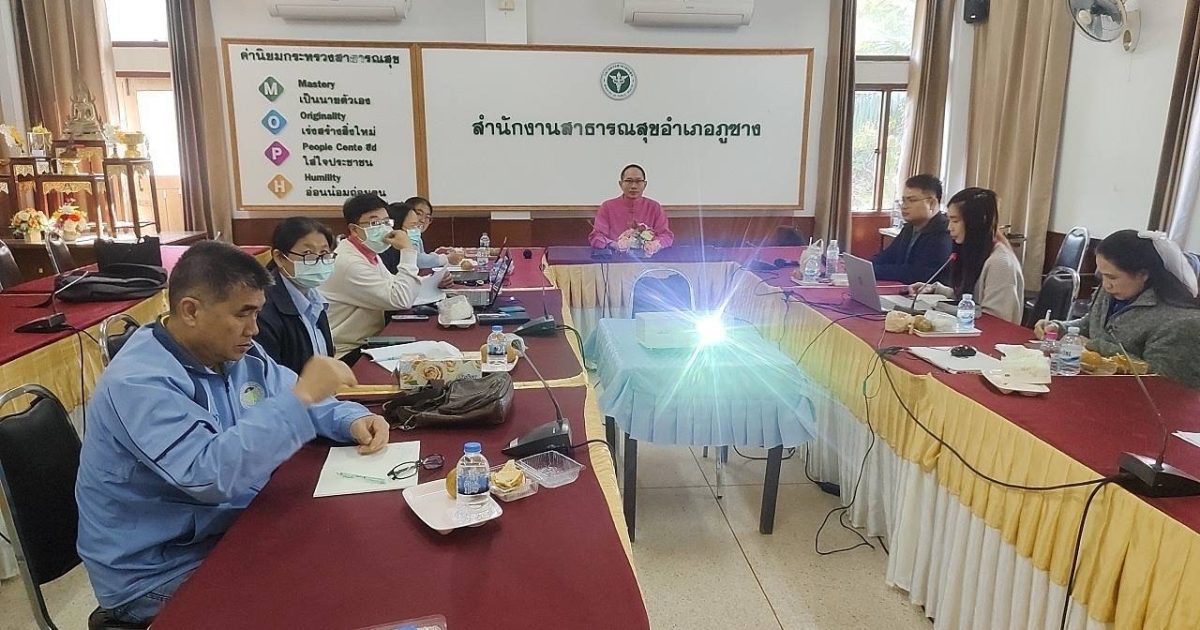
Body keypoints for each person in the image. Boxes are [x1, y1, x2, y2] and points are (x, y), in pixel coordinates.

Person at [76, 241, 390, 624]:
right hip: (157, 570)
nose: (254, 329)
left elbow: (296, 392)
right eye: (243, 314)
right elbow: (209, 476)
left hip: (229, 528)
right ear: (191, 311)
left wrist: (350, 418)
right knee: (314, 596)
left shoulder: (236, 352)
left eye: (257, 313)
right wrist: (303, 397)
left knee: (346, 548)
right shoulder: (139, 381)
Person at [1035, 230, 1200, 388]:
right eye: (1102, 276)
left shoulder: (1179, 322)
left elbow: (1159, 379)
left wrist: (1096, 346)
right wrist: (1060, 328)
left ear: (1143, 275)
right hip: (1097, 386)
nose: (1106, 285)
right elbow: (1090, 323)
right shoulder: (1110, 292)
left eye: (1112, 277)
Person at [322, 194, 450, 356]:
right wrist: (408, 250)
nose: (383, 228)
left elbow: (394, 285)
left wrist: (432, 283)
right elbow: (401, 299)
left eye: (386, 222)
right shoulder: (350, 263)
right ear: (354, 229)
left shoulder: (366, 252)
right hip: (348, 352)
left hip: (370, 340)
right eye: (375, 223)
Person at [908, 187, 1024, 323]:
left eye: (955, 221)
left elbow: (995, 321)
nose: (949, 227)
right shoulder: (977, 251)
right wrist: (935, 289)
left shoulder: (1000, 263)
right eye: (949, 220)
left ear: (976, 223)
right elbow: (971, 298)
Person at [255, 217, 337, 374]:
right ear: (280, 258)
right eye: (307, 254)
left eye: (324, 253)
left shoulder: (314, 298)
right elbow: (270, 377)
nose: (318, 261)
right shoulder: (263, 309)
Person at [873, 174, 954, 284]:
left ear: (931, 203)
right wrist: (866, 267)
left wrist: (874, 270)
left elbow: (916, 274)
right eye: (903, 201)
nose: (904, 206)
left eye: (912, 200)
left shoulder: (944, 233)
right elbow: (887, 256)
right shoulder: (909, 227)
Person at [588, 164, 674, 251]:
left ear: (645, 184)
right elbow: (597, 236)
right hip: (614, 256)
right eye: (629, 181)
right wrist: (614, 245)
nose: (633, 186)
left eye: (638, 181)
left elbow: (666, 236)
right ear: (621, 184)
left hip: (649, 257)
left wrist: (654, 245)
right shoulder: (607, 207)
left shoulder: (655, 207)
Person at [381, 200, 465, 271]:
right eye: (419, 213)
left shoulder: (415, 237)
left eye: (427, 217)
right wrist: (445, 258)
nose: (422, 220)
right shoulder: (387, 250)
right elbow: (417, 261)